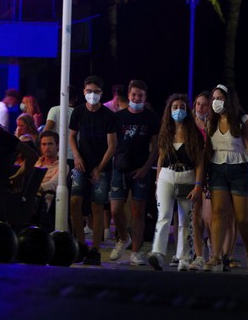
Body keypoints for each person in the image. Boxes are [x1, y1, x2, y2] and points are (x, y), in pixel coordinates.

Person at [205, 84, 248, 272]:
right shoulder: (211, 121)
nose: (215, 102)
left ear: (228, 100)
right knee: (218, 213)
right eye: (213, 99)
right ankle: (216, 256)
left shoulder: (242, 120)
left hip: (240, 170)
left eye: (219, 98)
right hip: (218, 169)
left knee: (242, 218)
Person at [148, 94, 205, 272]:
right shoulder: (166, 130)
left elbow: (200, 162)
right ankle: (157, 253)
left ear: (187, 109)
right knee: (163, 216)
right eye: (174, 107)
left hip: (187, 176)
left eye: (181, 106)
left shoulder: (194, 132)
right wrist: (157, 182)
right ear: (169, 110)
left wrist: (198, 185)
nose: (178, 110)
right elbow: (161, 157)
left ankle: (184, 258)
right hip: (166, 175)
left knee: (185, 220)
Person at [109, 80, 160, 266]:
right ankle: (124, 238)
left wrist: (146, 168)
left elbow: (155, 147)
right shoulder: (118, 117)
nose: (136, 98)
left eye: (140, 95)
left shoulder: (152, 118)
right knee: (115, 209)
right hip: (120, 168)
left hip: (142, 169)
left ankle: (136, 252)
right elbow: (112, 144)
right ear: (128, 95)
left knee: (139, 211)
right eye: (134, 95)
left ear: (145, 98)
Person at [69, 75, 117, 265]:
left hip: (101, 165)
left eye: (96, 92)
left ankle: (95, 249)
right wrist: (77, 156)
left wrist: (99, 168)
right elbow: (72, 136)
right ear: (83, 92)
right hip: (82, 163)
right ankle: (81, 245)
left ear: (101, 93)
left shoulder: (108, 116)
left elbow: (112, 145)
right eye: (89, 91)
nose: (92, 95)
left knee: (97, 207)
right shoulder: (79, 112)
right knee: (75, 202)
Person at [0, 123, 38, 221]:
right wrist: (19, 176)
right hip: (1, 197)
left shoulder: (0, 136)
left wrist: (19, 176)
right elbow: (32, 156)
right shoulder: (3, 137)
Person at [188, 90, 212, 271]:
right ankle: (199, 255)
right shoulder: (189, 124)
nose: (201, 107)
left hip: (211, 173)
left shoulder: (215, 123)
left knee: (209, 217)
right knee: (195, 216)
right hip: (194, 173)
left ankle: (213, 249)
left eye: (204, 104)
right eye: (198, 104)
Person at [33, 131, 69, 231]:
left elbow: (54, 184)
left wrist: (36, 187)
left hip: (46, 202)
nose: (46, 147)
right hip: (30, 197)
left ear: (57, 145)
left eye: (50, 144)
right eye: (44, 144)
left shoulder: (62, 166)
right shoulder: (36, 162)